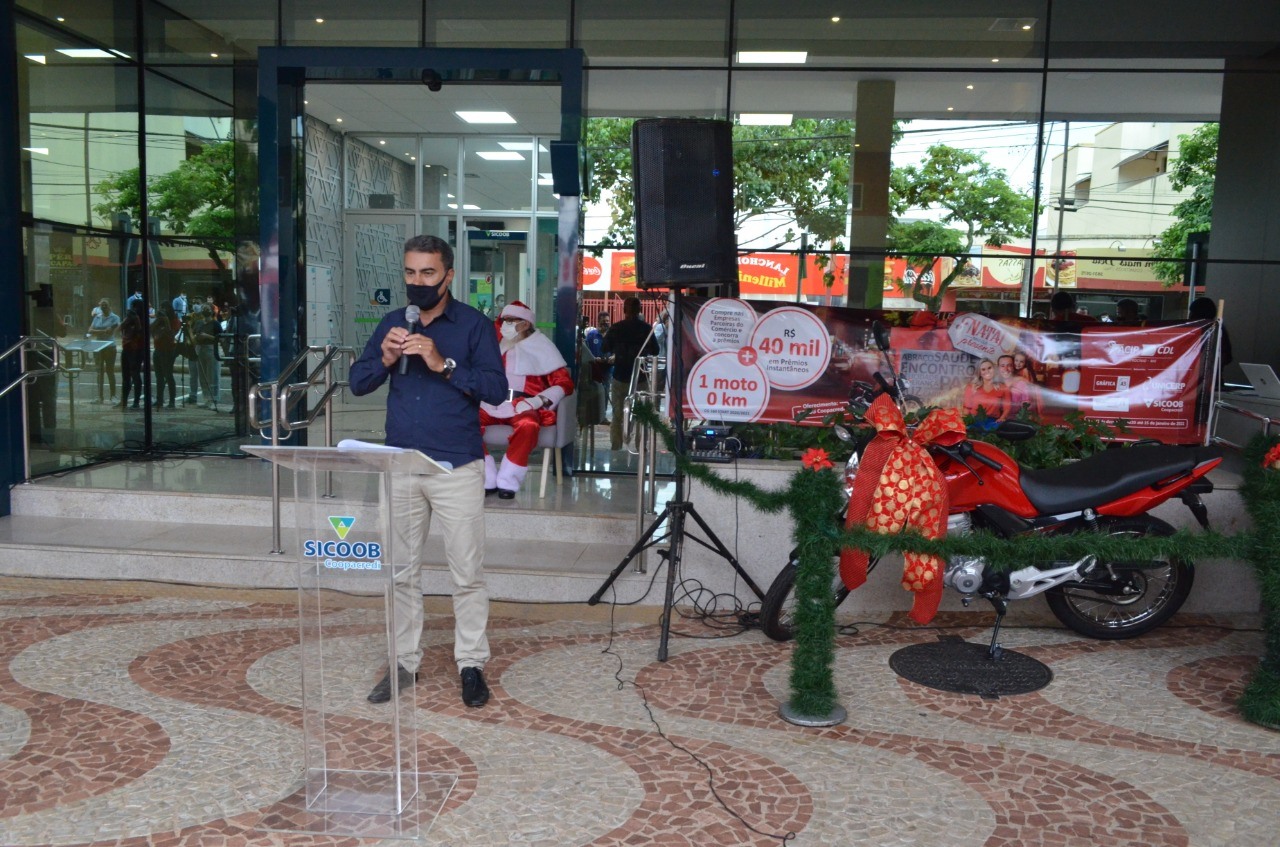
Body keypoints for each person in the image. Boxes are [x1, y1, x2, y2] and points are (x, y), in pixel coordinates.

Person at [348, 234, 506, 708]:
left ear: (449, 275)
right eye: (411, 273)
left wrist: (443, 363)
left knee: (467, 573)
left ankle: (472, 665)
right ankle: (403, 663)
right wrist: (386, 357)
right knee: (400, 572)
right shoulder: (394, 323)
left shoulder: (475, 326)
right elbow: (358, 383)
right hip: (400, 464)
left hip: (454, 464)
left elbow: (497, 391)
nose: (418, 283)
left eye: (428, 274)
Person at [478, 301, 574, 499]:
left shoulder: (542, 347)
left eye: (512, 320)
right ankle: (486, 477)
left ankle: (508, 480)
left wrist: (539, 401)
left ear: (526, 324)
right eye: (505, 319)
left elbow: (564, 383)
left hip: (523, 405)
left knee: (529, 425)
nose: (506, 324)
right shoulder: (494, 345)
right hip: (489, 403)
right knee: (463, 421)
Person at [602, 296, 656, 451]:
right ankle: (640, 448)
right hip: (641, 378)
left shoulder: (616, 328)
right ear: (640, 310)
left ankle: (616, 447)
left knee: (617, 415)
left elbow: (604, 348)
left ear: (624, 310)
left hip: (620, 376)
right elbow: (656, 350)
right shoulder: (646, 329)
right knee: (641, 416)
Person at [88, 298, 120, 404]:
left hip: (110, 347)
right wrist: (102, 331)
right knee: (99, 372)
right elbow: (90, 330)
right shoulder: (98, 317)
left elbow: (110, 332)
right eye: (102, 305)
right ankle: (99, 396)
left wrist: (99, 332)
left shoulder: (115, 317)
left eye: (105, 305)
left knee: (110, 371)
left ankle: (113, 395)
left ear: (109, 305)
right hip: (98, 347)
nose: (103, 307)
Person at [118, 300, 146, 409]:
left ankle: (136, 401)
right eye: (132, 307)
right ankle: (124, 400)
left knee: (135, 375)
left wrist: (137, 320)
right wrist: (128, 319)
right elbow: (119, 328)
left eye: (136, 308)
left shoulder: (142, 320)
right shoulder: (129, 320)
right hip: (127, 349)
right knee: (125, 376)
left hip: (137, 350)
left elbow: (140, 333)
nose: (134, 310)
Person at [193, 304, 221, 409]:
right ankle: (206, 398)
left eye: (208, 309)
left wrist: (207, 336)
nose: (205, 310)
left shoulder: (215, 324)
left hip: (211, 348)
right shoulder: (199, 323)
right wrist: (195, 336)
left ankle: (214, 399)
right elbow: (194, 333)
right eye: (204, 308)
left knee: (213, 375)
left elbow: (220, 338)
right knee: (202, 375)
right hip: (200, 348)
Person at [151, 303, 178, 408]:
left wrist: (166, 321)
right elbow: (150, 330)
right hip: (157, 350)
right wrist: (158, 320)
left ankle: (172, 401)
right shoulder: (158, 321)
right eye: (161, 308)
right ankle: (159, 400)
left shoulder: (174, 321)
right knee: (159, 377)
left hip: (168, 351)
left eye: (164, 308)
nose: (162, 310)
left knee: (168, 375)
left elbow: (171, 335)